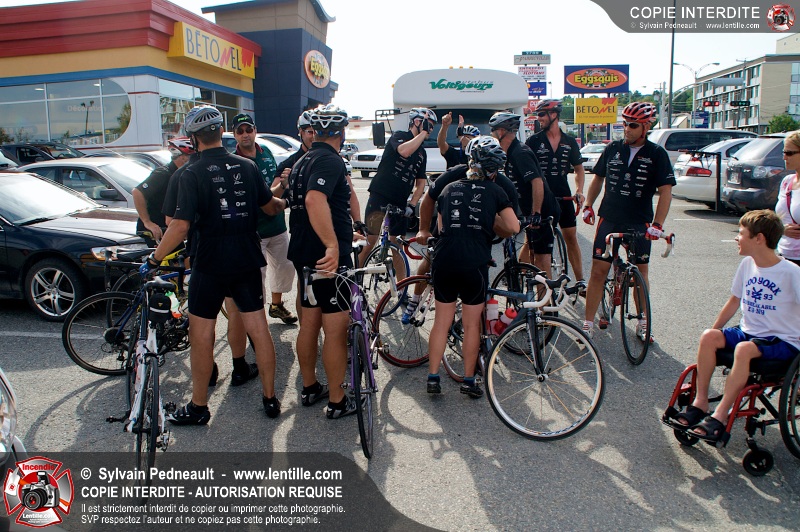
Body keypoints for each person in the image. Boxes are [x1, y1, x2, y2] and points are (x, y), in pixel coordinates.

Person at [142, 104, 288, 424]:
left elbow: (179, 226)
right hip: (246, 257)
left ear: (194, 138)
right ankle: (270, 398)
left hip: (209, 261)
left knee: (203, 334)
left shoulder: (190, 173)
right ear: (221, 132)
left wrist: (154, 258)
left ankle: (199, 407)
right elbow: (270, 206)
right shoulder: (247, 166)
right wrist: (285, 199)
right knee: (259, 329)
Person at [672, 210, 800, 442]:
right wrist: (714, 333)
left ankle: (720, 415)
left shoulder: (791, 273)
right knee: (709, 336)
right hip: (749, 333)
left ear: (759, 238)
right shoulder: (747, 264)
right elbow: (734, 301)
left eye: (741, 233)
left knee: (744, 349)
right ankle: (700, 402)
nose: (736, 237)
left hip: (782, 340)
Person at [424, 136, 519, 397]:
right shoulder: (496, 191)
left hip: (444, 260)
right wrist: (491, 219)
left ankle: (433, 377)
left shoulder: (448, 188)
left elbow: (441, 226)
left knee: (441, 322)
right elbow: (513, 227)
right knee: (471, 325)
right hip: (474, 263)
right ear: (493, 170)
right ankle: (468, 380)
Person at [581, 102, 675, 341]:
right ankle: (587, 324)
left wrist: (658, 224)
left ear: (646, 127)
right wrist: (588, 205)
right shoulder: (612, 148)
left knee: (641, 273)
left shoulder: (657, 154)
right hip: (610, 218)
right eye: (624, 124)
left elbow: (666, 191)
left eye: (632, 125)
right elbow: (598, 178)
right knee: (598, 271)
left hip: (639, 221)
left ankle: (643, 322)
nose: (627, 129)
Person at [286, 104, 357, 418]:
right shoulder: (331, 160)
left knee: (309, 324)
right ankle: (338, 400)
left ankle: (310, 386)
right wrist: (332, 245)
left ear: (314, 132)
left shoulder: (302, 161)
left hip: (303, 252)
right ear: (341, 133)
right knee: (335, 329)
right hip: (326, 258)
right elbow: (315, 199)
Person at [412, 136, 521, 324]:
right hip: (449, 227)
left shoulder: (503, 184)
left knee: (476, 274)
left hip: (480, 234)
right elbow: (429, 198)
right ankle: (414, 300)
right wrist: (423, 230)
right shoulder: (455, 174)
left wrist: (490, 215)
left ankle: (472, 316)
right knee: (430, 259)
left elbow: (510, 227)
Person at [230, 112, 297, 325]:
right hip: (254, 230)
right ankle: (256, 318)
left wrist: (282, 185)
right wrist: (282, 190)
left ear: (255, 131)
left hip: (277, 225)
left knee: (285, 267)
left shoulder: (265, 151)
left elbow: (272, 187)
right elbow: (262, 198)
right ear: (234, 135)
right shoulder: (235, 162)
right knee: (256, 276)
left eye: (249, 130)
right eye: (240, 131)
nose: (245, 134)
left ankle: (276, 306)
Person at [358, 107, 435, 271]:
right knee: (370, 240)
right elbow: (404, 151)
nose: (430, 129)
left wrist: (412, 204)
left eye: (432, 126)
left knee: (397, 246)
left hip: (400, 200)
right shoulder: (399, 136)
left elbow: (421, 182)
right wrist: (422, 133)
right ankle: (353, 279)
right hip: (380, 194)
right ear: (416, 122)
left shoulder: (422, 153)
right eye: (428, 125)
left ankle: (401, 286)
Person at [489, 111, 560, 277]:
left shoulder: (520, 153)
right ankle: (517, 276)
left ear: (501, 132)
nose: (491, 134)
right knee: (529, 245)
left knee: (541, 259)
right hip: (529, 209)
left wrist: (536, 213)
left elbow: (537, 182)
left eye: (493, 131)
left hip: (543, 210)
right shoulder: (509, 152)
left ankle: (546, 294)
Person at [525, 99, 587, 287]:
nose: (539, 118)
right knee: (531, 241)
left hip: (563, 195)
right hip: (541, 198)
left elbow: (579, 169)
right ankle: (522, 274)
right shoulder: (533, 141)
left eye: (541, 114)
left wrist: (579, 191)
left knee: (571, 238)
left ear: (554, 115)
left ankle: (581, 281)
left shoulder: (569, 141)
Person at [132, 137, 194, 245]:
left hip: (172, 228)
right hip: (156, 230)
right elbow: (137, 192)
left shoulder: (184, 175)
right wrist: (147, 222)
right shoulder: (163, 174)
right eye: (191, 157)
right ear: (183, 157)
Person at [776, 131, 800, 266]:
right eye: (784, 152)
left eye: (789, 153)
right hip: (785, 254)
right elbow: (781, 217)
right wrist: (782, 229)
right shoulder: (787, 181)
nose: (784, 157)